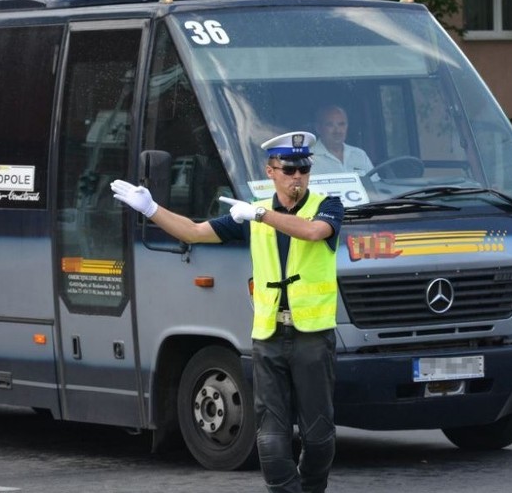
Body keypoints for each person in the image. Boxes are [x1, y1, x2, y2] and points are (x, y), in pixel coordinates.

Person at [110, 131, 344, 493]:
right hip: (268, 338)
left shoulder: (326, 206)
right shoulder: (251, 214)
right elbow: (193, 232)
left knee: (318, 437)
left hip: (312, 337)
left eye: (304, 169)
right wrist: (151, 209)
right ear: (272, 171)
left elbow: (314, 233)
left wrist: (262, 214)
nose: (297, 176)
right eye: (289, 169)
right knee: (270, 439)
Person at [311, 105, 373, 175]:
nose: (337, 131)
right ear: (318, 128)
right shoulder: (306, 159)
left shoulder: (360, 155)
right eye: (330, 125)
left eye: (341, 124)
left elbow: (375, 184)